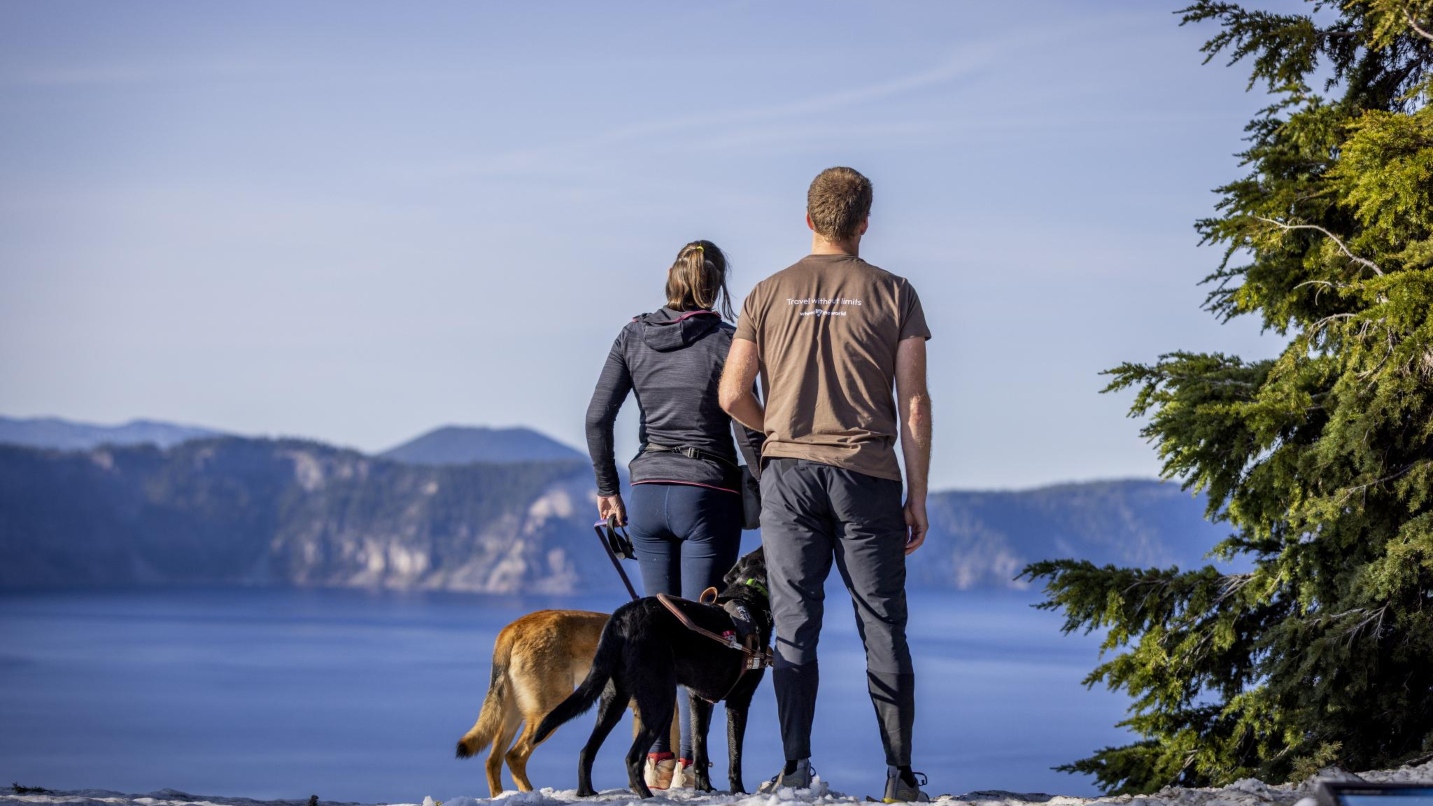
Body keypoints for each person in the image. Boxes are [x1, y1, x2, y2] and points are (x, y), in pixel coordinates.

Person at [718, 167, 932, 802]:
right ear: (865, 223)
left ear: (808, 220)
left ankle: (794, 771)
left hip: (787, 476)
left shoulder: (765, 292)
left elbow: (732, 394)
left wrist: (778, 427)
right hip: (866, 475)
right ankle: (899, 779)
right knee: (883, 624)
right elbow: (914, 404)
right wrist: (916, 495)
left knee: (794, 624)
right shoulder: (896, 293)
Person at [584, 239, 762, 790]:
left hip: (646, 494)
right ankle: (692, 766)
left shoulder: (633, 333)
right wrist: (765, 486)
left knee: (654, 637)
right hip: (707, 495)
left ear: (671, 279)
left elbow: (597, 419)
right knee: (706, 636)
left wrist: (608, 489)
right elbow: (745, 428)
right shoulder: (729, 341)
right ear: (717, 285)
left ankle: (657, 761)